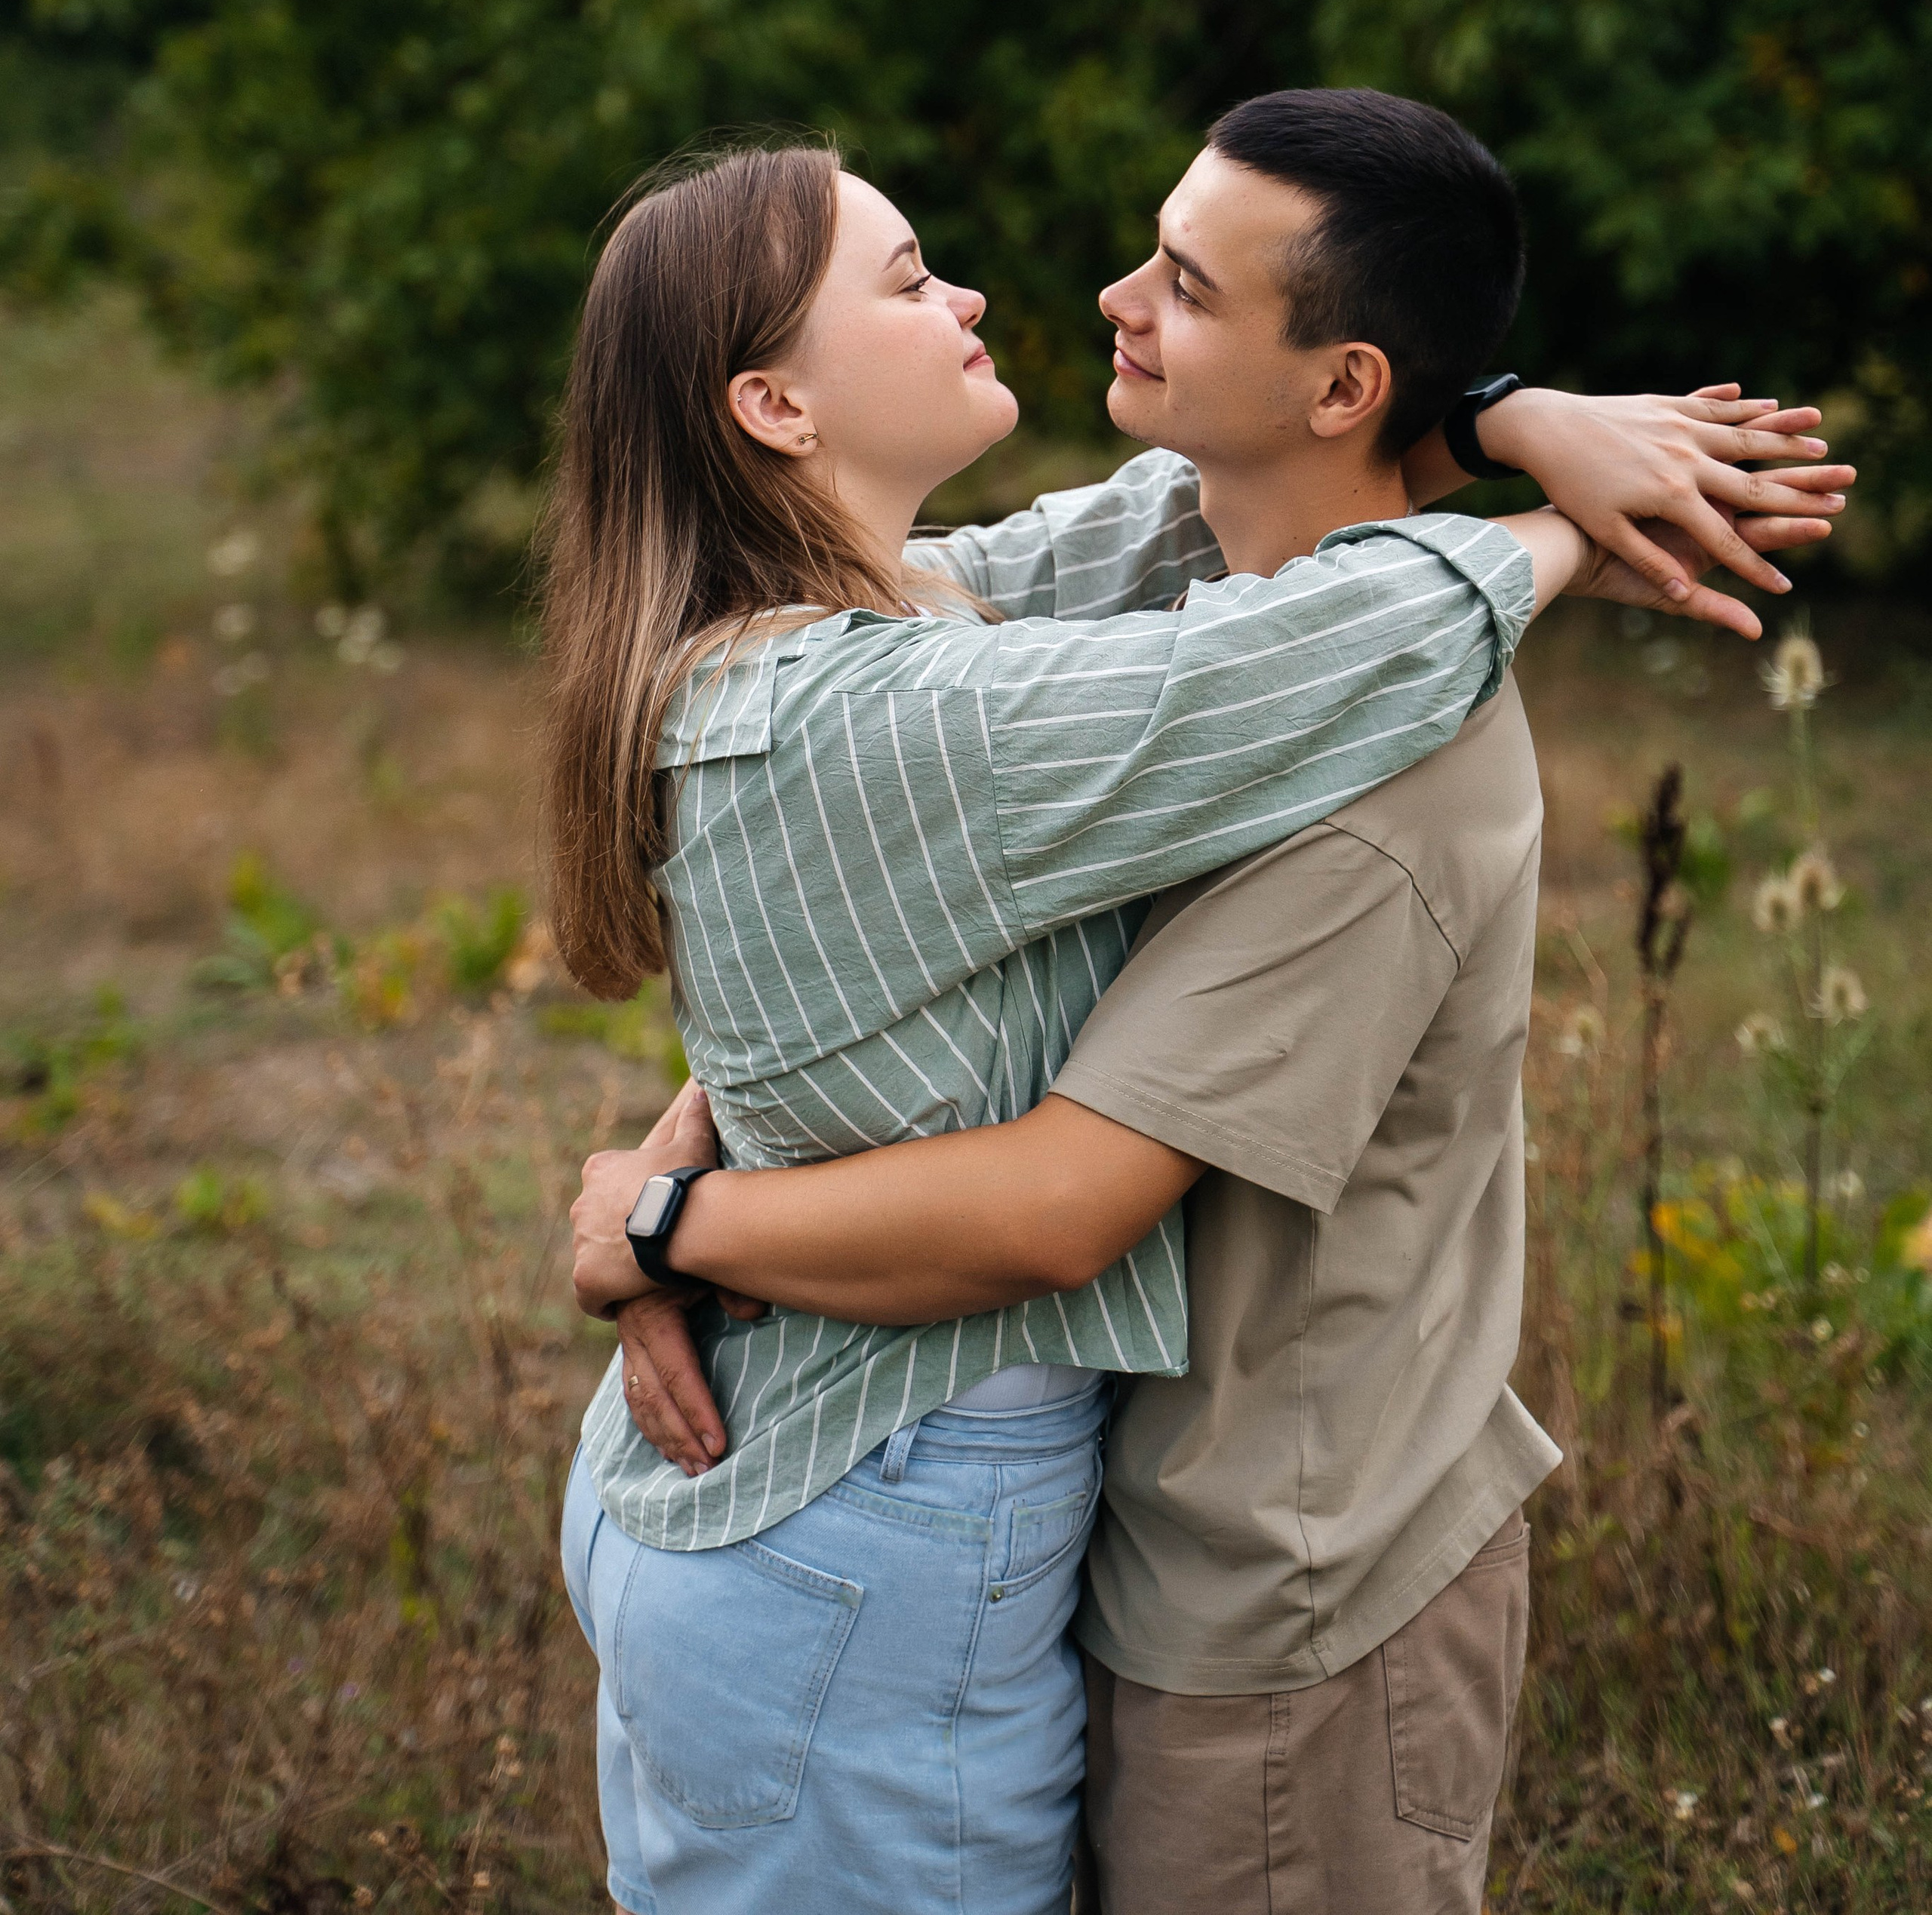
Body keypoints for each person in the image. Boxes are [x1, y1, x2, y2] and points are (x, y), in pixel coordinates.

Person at [555, 100, 1845, 1915]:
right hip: (960, 1527)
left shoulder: (1332, 758)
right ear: (771, 408)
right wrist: (1530, 466)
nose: (1084, 296)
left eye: (1179, 280)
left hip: (1276, 1584)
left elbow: (1059, 1198)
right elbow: (1232, 581)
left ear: (1335, 386)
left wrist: (664, 1218)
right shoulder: (956, 670)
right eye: (913, 277)